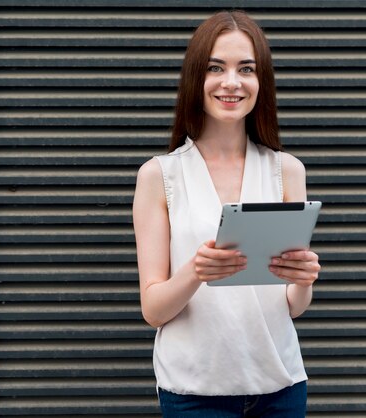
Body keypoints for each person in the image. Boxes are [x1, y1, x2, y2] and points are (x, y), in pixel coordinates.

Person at [132, 10, 321, 418]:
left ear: (261, 82)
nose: (231, 82)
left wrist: (303, 281)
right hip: (194, 392)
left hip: (281, 387)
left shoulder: (286, 170)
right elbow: (154, 310)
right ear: (196, 78)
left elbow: (291, 305)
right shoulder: (159, 176)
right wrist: (196, 271)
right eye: (216, 67)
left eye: (246, 69)